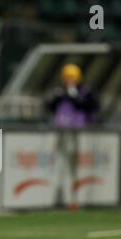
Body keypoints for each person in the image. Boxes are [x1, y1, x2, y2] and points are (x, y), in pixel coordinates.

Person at [45, 64, 99, 210]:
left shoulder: (84, 91)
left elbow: (92, 106)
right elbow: (49, 105)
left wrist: (75, 96)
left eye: (72, 78)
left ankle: (75, 199)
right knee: (59, 164)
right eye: (67, 78)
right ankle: (59, 197)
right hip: (60, 131)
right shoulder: (60, 91)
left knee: (75, 166)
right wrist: (59, 95)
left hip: (78, 133)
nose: (69, 81)